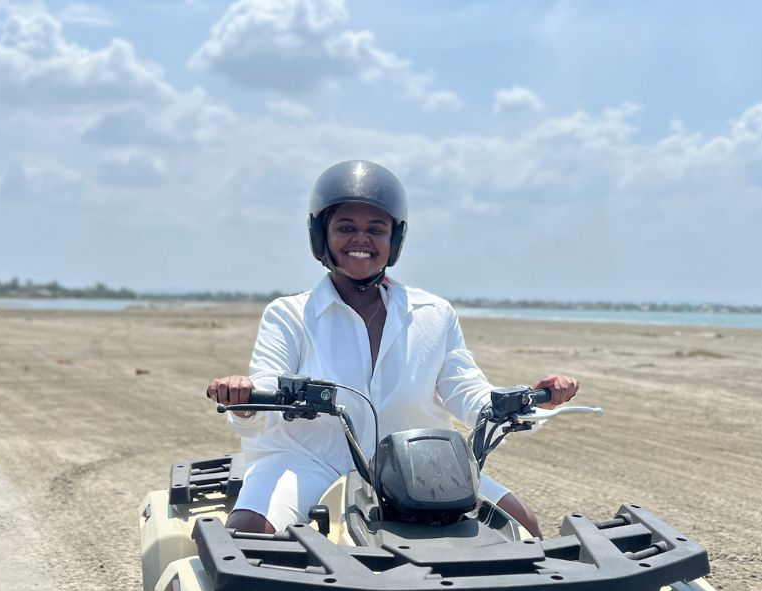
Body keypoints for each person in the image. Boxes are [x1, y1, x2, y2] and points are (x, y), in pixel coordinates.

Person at [206, 160, 578, 538]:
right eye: (345, 228)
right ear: (321, 236)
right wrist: (247, 401)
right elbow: (266, 390)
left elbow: (468, 392)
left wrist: (529, 400)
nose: (361, 240)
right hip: (310, 461)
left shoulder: (434, 314)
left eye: (376, 230)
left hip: (420, 467)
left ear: (394, 240)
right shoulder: (289, 315)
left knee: (523, 525)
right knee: (249, 532)